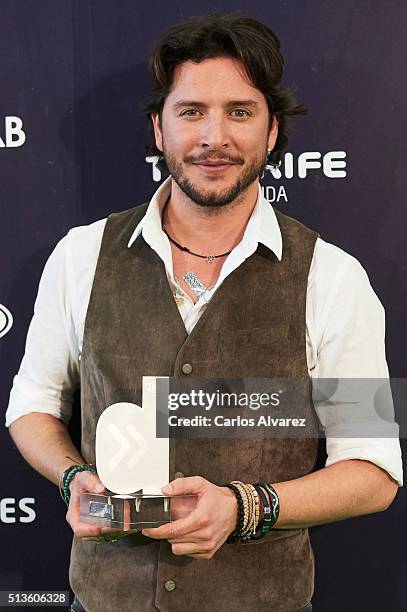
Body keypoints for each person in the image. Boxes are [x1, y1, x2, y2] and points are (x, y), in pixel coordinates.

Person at [5, 13, 402, 612]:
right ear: (159, 130)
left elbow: (372, 470)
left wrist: (245, 508)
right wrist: (70, 478)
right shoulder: (81, 256)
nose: (214, 136)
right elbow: (31, 406)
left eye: (240, 112)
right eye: (191, 111)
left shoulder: (333, 277)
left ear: (272, 134)